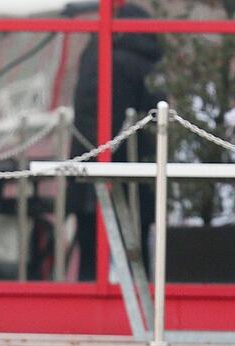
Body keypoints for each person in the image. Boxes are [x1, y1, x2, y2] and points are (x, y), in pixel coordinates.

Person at [68, 2, 163, 281]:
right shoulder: (151, 64)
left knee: (92, 256)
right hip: (139, 170)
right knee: (137, 252)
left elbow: (92, 116)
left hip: (101, 168)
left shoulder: (103, 56)